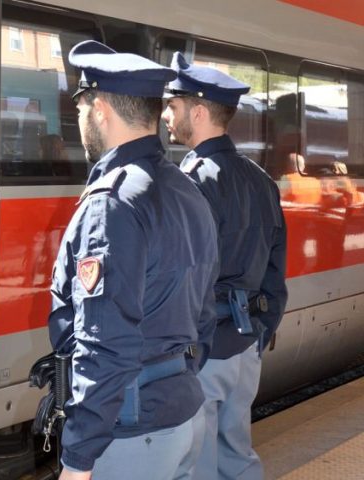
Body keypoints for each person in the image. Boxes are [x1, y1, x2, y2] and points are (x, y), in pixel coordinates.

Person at [48, 41, 219, 480]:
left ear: (100, 108)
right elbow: (203, 310)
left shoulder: (111, 204)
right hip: (181, 414)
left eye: (82, 108)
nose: (81, 120)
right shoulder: (186, 190)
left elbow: (104, 341)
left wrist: (78, 458)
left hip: (131, 431)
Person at [161, 52, 288, 480]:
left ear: (197, 112)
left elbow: (185, 274)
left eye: (172, 107)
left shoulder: (191, 181)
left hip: (207, 347)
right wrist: (261, 329)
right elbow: (275, 268)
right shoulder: (259, 177)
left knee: (197, 461)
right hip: (246, 343)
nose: (165, 116)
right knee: (236, 453)